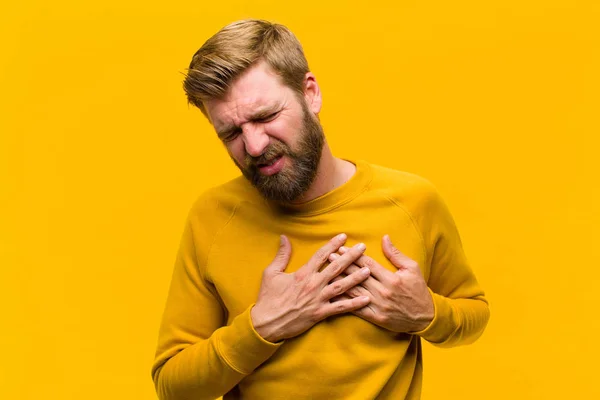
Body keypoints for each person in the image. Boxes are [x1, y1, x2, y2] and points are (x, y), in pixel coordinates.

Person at [151, 19, 490, 400]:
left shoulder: (413, 201)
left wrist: (428, 315)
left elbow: (473, 313)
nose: (255, 146)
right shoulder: (212, 216)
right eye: (231, 133)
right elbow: (173, 385)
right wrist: (262, 327)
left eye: (265, 116)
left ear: (310, 93)